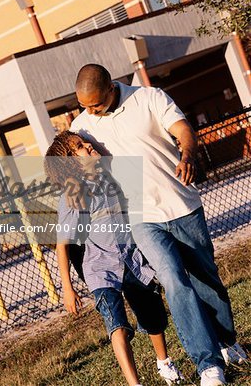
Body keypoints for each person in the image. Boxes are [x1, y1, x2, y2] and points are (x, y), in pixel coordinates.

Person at [69, 64, 247, 386]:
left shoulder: (148, 98)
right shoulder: (83, 126)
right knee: (173, 280)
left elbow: (182, 129)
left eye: (95, 104)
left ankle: (227, 341)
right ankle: (208, 365)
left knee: (207, 280)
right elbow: (68, 158)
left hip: (181, 204)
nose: (90, 111)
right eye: (85, 105)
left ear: (111, 88)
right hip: (141, 216)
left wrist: (188, 154)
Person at [44, 131, 184, 386]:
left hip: (132, 260)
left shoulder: (111, 176)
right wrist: (67, 287)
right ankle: (134, 383)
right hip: (101, 269)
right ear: (71, 162)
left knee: (152, 316)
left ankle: (164, 363)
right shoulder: (74, 195)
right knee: (116, 325)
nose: (88, 146)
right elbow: (62, 245)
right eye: (80, 147)